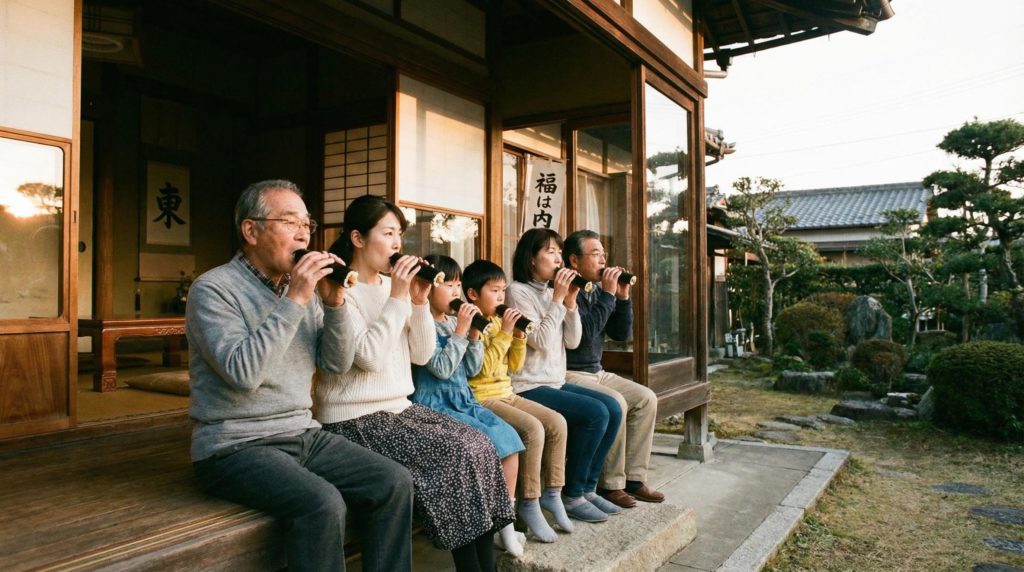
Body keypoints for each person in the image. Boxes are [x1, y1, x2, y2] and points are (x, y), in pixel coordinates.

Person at [186, 179, 413, 572]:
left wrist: (335, 303)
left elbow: (335, 363)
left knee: (393, 482)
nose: (303, 234)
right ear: (251, 230)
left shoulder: (305, 291)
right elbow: (244, 373)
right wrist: (296, 298)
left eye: (306, 225)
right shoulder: (214, 289)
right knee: (322, 502)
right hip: (234, 446)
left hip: (301, 432)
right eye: (290, 222)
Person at [316, 195, 514, 572]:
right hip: (353, 418)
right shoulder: (339, 287)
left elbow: (422, 355)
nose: (396, 244)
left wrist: (419, 301)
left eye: (399, 235)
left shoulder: (401, 290)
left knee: (478, 444)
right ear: (358, 238)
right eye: (387, 233)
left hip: (397, 408)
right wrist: (397, 297)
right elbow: (367, 357)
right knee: (456, 452)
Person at [411, 254, 527, 558]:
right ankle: (492, 526)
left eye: (457, 284)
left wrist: (474, 333)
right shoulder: (421, 322)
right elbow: (440, 368)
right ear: (426, 287)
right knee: (485, 446)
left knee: (510, 441)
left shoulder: (452, 321)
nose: (454, 291)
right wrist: (462, 332)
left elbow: (473, 369)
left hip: (464, 400)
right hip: (436, 404)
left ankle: (506, 526)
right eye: (447, 284)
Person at [506, 228, 624, 524]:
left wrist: (569, 303)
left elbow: (572, 341)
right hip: (527, 385)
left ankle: (587, 488)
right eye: (550, 252)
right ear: (531, 259)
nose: (558, 259)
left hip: (554, 381)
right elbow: (541, 341)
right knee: (596, 412)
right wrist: (559, 299)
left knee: (612, 407)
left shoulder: (552, 293)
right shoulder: (517, 292)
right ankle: (571, 494)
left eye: (559, 252)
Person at [463, 259, 572, 543]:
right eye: (494, 291)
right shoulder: (474, 323)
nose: (501, 297)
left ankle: (553, 493)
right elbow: (481, 369)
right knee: (533, 429)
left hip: (507, 392)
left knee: (556, 423)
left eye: (502, 291)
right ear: (473, 294)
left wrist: (519, 337)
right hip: (482, 398)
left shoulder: (500, 322)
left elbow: (514, 364)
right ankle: (529, 501)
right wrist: (505, 334)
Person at [563, 230, 665, 508]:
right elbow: (581, 340)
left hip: (597, 371)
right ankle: (611, 485)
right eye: (595, 254)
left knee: (645, 398)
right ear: (574, 260)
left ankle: (633, 478)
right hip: (568, 373)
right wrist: (608, 295)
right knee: (616, 402)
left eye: (604, 255)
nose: (602, 260)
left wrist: (622, 298)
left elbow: (621, 334)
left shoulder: (596, 290)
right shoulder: (565, 290)